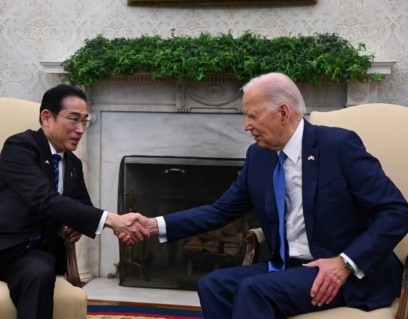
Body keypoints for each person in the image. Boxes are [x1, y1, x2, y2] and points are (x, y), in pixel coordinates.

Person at [120, 72, 408, 318]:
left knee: (254, 290)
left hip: (343, 273)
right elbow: (221, 210)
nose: (246, 125)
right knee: (213, 284)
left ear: (283, 112)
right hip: (289, 269)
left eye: (252, 116)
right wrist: (154, 225)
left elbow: (397, 211)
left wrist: (344, 263)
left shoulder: (338, 146)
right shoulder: (260, 157)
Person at [0, 84, 148, 319]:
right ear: (47, 117)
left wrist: (88, 225)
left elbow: (82, 207)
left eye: (85, 121)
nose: (81, 129)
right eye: (74, 119)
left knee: (40, 276)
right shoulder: (20, 146)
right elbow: (44, 199)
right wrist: (113, 220)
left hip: (32, 251)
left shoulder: (73, 164)